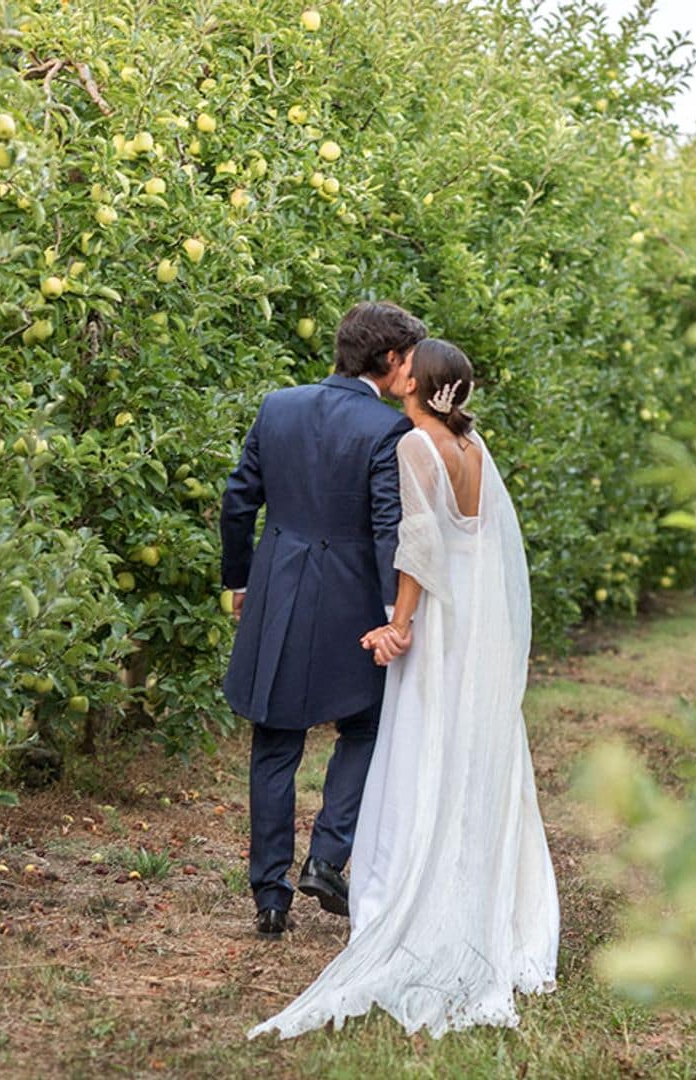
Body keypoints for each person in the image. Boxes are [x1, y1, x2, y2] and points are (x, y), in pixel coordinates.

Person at [248, 339, 560, 1039]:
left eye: (407, 363)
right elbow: (481, 541)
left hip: (438, 613)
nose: (397, 370)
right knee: (472, 740)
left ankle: (415, 888)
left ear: (416, 380)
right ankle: (487, 890)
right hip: (477, 615)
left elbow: (418, 545)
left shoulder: (416, 445)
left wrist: (399, 623)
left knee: (423, 739)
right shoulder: (473, 449)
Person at [220, 301, 426, 939]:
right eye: (409, 359)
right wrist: (397, 616)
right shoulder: (388, 430)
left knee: (275, 742)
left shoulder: (277, 405)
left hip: (276, 591)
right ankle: (328, 858)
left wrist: (239, 579)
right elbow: (388, 528)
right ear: (390, 359)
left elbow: (237, 501)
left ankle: (269, 895)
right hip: (351, 603)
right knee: (365, 727)